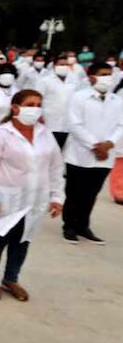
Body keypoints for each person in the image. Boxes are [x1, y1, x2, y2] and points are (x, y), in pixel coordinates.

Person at [0, 89, 64, 300]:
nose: (35, 109)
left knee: (23, 241)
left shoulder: (45, 134)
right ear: (15, 108)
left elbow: (55, 167)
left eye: (38, 104)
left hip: (35, 198)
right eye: (30, 104)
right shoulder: (1, 134)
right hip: (6, 197)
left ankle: (11, 278)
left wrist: (57, 196)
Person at [61, 62, 121, 244]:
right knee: (74, 192)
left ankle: (83, 226)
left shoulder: (117, 100)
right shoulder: (79, 97)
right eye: (104, 74)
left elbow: (121, 125)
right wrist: (95, 146)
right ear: (92, 77)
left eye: (110, 74)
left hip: (105, 156)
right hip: (79, 154)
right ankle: (69, 226)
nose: (108, 78)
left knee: (91, 193)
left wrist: (109, 144)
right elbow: (74, 124)